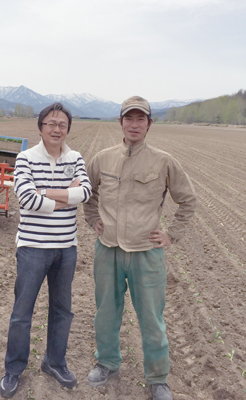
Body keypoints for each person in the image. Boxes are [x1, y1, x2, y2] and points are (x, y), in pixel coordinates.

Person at [83, 96, 197, 400]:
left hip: (146, 253)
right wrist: (93, 217)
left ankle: (158, 377)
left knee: (151, 317)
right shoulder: (103, 158)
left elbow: (187, 200)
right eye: (129, 118)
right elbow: (88, 193)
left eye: (140, 119)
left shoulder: (164, 161)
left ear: (149, 124)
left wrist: (172, 234)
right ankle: (107, 362)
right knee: (106, 312)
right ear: (120, 122)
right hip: (108, 249)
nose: (134, 125)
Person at [0, 102, 92, 398]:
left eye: (62, 125)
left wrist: (46, 193)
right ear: (40, 127)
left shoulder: (75, 157)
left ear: (68, 130)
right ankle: (13, 369)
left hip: (66, 249)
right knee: (21, 312)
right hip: (33, 248)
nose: (56, 129)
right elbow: (25, 197)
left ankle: (54, 362)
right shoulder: (25, 157)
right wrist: (66, 197)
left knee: (62, 310)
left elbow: (86, 192)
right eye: (51, 123)